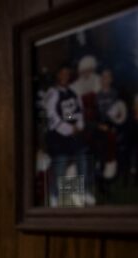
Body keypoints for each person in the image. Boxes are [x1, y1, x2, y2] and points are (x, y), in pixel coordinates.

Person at [43, 64, 88, 206]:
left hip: (71, 135)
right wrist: (69, 128)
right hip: (57, 136)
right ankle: (54, 196)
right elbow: (53, 117)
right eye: (62, 73)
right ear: (58, 75)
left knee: (81, 159)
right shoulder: (52, 93)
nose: (65, 77)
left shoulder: (71, 93)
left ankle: (77, 194)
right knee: (60, 164)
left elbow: (69, 114)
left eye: (67, 74)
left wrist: (75, 125)